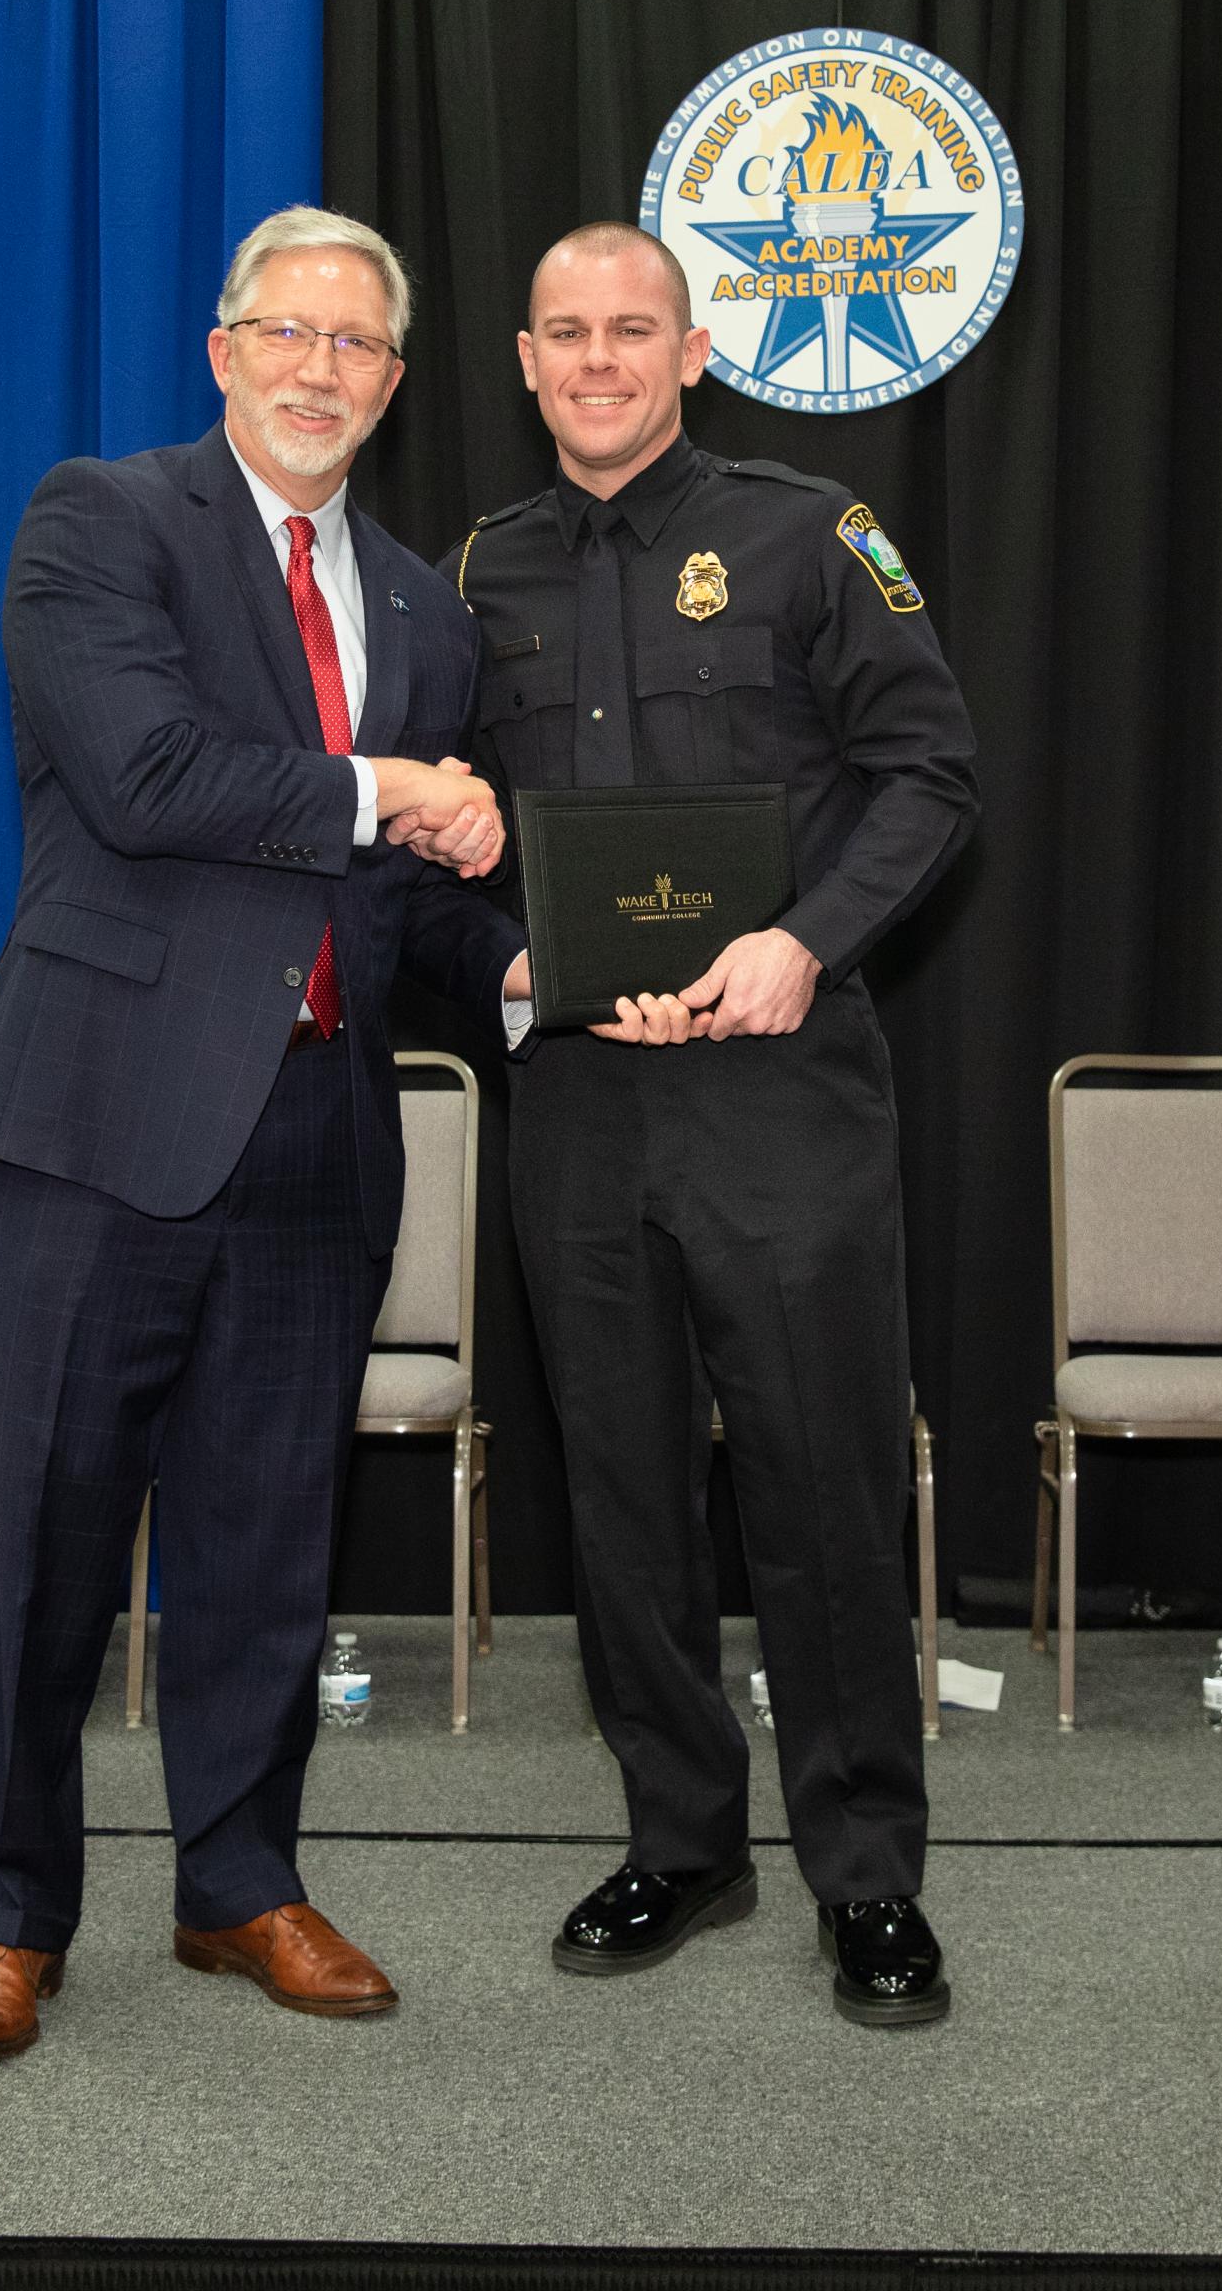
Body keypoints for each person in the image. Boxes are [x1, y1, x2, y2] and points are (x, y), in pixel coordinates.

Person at [0, 206, 523, 2066]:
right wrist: (391, 786)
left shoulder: (423, 606)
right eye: (288, 332)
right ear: (223, 350)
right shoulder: (102, 519)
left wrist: (525, 971)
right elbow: (146, 773)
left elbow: (398, 899)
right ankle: (7, 1918)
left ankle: (239, 1883)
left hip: (322, 1130)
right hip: (102, 1114)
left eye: (357, 345)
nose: (318, 370)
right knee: (48, 1534)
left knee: (267, 1542)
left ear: (394, 383)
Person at [446, 222, 979, 2028]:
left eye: (633, 329)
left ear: (693, 352)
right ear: (528, 360)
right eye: (567, 331)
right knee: (621, 1493)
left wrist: (804, 941)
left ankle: (868, 1871)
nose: (599, 359)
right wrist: (509, 958)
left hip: (779, 1088)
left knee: (823, 1487)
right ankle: (681, 1838)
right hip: (581, 1100)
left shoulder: (811, 534)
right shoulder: (475, 573)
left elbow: (930, 776)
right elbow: (443, 835)